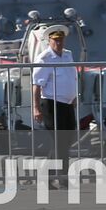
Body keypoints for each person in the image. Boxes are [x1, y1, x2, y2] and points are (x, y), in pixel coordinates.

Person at [32, 26, 78, 177]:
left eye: (61, 40)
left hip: (67, 103)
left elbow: (72, 77)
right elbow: (37, 84)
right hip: (52, 104)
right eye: (55, 40)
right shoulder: (44, 58)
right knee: (60, 141)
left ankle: (46, 175)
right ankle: (63, 178)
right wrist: (36, 108)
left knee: (68, 139)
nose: (58, 43)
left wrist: (74, 97)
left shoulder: (68, 55)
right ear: (49, 41)